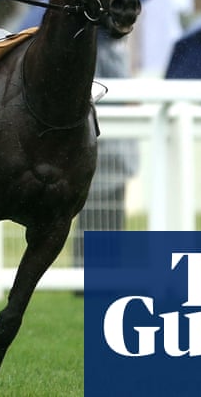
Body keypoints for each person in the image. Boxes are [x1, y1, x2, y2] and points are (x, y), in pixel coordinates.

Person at [72, 32, 140, 268]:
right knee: (97, 215)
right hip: (102, 149)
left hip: (114, 152)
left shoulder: (113, 45)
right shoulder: (96, 46)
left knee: (106, 216)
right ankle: (88, 274)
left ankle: (97, 272)